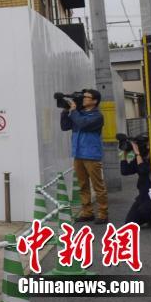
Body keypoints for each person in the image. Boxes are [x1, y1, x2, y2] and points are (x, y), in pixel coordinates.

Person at [59, 88, 108, 225]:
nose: (84, 99)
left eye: (87, 97)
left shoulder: (97, 116)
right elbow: (65, 126)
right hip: (78, 154)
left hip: (91, 154)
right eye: (84, 96)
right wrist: (65, 111)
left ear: (95, 101)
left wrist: (74, 111)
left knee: (98, 186)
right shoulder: (78, 113)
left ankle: (103, 213)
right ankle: (87, 212)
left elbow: (83, 124)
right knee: (83, 185)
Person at [120, 137, 151, 227]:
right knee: (129, 222)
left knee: (144, 210)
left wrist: (137, 153)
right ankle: (148, 217)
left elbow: (143, 170)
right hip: (142, 196)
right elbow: (125, 171)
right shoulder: (140, 158)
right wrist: (124, 154)